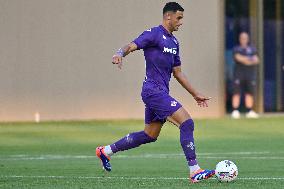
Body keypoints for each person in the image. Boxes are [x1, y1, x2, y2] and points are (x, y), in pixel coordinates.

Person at [96, 2, 215, 183]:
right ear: (168, 16)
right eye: (179, 18)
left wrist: (195, 94)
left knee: (149, 135)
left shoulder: (174, 42)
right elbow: (131, 45)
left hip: (160, 92)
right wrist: (120, 53)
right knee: (187, 122)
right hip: (153, 91)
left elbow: (178, 73)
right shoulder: (153, 34)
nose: (181, 22)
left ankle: (105, 151)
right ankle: (194, 170)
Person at [231, 32, 260, 119]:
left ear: (248, 39)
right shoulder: (237, 48)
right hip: (239, 74)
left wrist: (246, 59)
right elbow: (238, 58)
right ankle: (235, 110)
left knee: (249, 92)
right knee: (237, 92)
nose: (244, 40)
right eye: (242, 38)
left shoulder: (252, 49)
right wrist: (249, 59)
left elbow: (257, 60)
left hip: (250, 74)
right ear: (239, 39)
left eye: (245, 38)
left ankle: (249, 111)